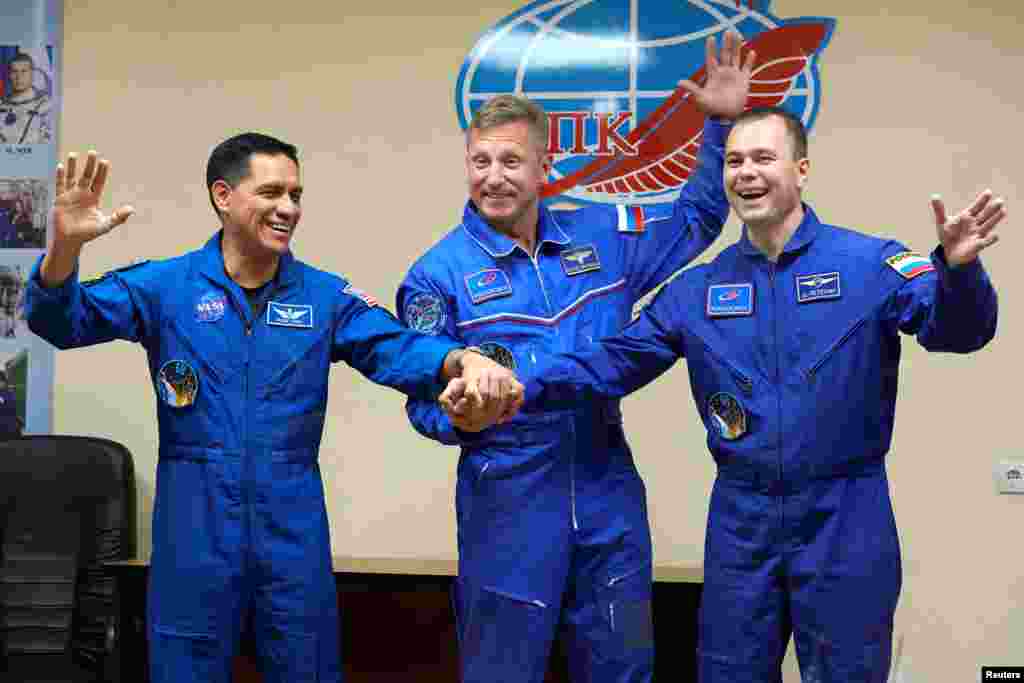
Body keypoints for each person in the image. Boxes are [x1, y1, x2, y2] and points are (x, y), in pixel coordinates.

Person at [465, 106, 1004, 683]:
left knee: (848, 671)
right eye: (734, 160)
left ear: (801, 170)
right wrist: (519, 386)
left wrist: (959, 272)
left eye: (763, 158)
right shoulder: (698, 290)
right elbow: (612, 362)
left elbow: (958, 333)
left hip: (846, 515)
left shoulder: (869, 265)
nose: (746, 172)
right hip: (740, 522)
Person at [24, 134, 522, 683]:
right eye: (271, 192)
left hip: (291, 532)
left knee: (306, 667)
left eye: (296, 194)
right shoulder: (167, 287)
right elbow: (60, 322)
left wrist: (462, 361)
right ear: (223, 196)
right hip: (193, 529)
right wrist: (64, 250)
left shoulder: (325, 297)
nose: (289, 208)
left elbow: (399, 348)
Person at [399, 34, 754, 683]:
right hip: (505, 497)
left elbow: (697, 218)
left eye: (511, 160)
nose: (493, 177)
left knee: (623, 667)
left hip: (605, 484)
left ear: (545, 165)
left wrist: (720, 125)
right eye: (480, 161)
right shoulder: (435, 276)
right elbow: (422, 402)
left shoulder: (603, 237)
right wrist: (461, 420)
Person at [0, 52, 52, 145]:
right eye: (14, 71)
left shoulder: (46, 106)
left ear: (32, 74)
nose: (19, 77)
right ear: (9, 75)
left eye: (24, 71)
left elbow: (47, 143)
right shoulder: (2, 105)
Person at [0, 370, 22, 438]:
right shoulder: (7, 393)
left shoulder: (7, 394)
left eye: (1, 381)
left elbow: (9, 407)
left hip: (8, 431)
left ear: (3, 382)